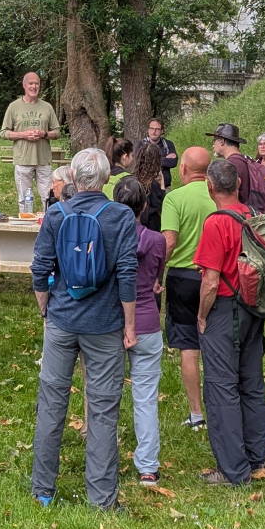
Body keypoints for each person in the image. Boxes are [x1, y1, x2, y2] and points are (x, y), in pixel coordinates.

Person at [30, 149, 140, 510]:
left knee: (51, 402)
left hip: (62, 320)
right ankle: (102, 498)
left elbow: (40, 267)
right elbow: (127, 272)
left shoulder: (56, 214)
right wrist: (129, 324)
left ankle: (43, 489)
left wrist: (45, 307)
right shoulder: (120, 216)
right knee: (104, 408)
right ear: (106, 179)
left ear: (74, 179)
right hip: (104, 325)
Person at [193, 158, 265, 485]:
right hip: (255, 307)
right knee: (252, 383)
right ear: (238, 185)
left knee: (221, 387)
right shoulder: (255, 216)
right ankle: (258, 461)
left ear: (210, 187)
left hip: (226, 308)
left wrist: (201, 315)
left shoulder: (216, 223)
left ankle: (233, 469)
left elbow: (211, 280)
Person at [115, 175, 169, 484]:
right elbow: (157, 280)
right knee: (145, 397)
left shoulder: (110, 237)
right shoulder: (156, 240)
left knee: (106, 394)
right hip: (148, 321)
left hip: (114, 323)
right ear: (144, 205)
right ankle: (147, 464)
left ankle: (104, 456)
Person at [157, 146, 215, 431]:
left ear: (182, 169)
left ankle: (196, 412)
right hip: (215, 278)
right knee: (215, 344)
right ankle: (220, 405)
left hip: (182, 277)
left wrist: (157, 274)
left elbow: (168, 241)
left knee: (188, 347)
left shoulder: (174, 198)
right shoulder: (220, 196)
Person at [2, 71, 61, 213]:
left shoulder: (47, 107)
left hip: (43, 160)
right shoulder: (14, 107)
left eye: (37, 84)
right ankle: (26, 227)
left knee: (48, 196)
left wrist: (44, 134)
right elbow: (4, 132)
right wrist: (23, 135)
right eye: (31, 83)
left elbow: (57, 132)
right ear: (24, 85)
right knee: (24, 199)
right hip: (23, 159)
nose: (34, 87)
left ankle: (48, 224)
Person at [209, 123, 265, 216]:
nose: (213, 145)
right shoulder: (245, 160)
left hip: (240, 218)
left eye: (214, 140)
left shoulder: (231, 165)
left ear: (222, 141)